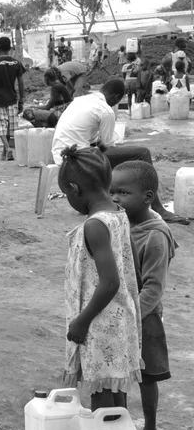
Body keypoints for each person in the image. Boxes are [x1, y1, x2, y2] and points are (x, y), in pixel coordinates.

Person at [60, 145, 141, 411]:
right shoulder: (119, 214)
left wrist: (82, 321)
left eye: (65, 195)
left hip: (101, 321)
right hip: (119, 317)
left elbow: (109, 282)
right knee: (113, 385)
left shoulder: (95, 225)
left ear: (74, 188)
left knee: (101, 391)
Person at [52, 78, 188, 223]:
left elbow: (92, 140)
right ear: (117, 97)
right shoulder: (105, 110)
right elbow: (107, 146)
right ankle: (158, 209)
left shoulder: (81, 100)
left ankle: (111, 198)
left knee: (116, 155)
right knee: (142, 153)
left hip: (61, 152)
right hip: (79, 157)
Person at [110, 161, 176, 430]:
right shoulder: (119, 224)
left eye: (123, 193)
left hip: (145, 317)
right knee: (118, 373)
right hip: (117, 313)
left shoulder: (155, 235)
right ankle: (121, 427)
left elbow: (153, 288)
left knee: (148, 376)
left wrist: (132, 316)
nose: (115, 199)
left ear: (148, 197)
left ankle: (150, 429)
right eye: (112, 192)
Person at [0, 36, 25, 161]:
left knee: (1, 124)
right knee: (10, 126)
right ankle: (5, 150)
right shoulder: (16, 63)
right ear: (10, 48)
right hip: (12, 98)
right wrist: (21, 99)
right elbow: (21, 82)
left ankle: (7, 149)